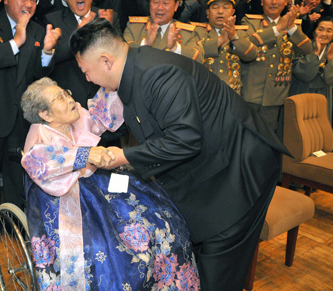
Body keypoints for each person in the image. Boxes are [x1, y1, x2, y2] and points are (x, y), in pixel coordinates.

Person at [71, 18, 288, 291]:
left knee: (218, 272)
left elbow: (184, 140)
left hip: (241, 170)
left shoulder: (157, 73)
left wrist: (123, 156)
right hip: (213, 164)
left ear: (106, 60)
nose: (87, 79)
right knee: (193, 257)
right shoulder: (134, 71)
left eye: (86, 71)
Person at [20, 77, 200, 290]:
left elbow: (99, 116)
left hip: (96, 181)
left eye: (66, 92)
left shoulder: (76, 115)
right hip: (64, 195)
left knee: (160, 215)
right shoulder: (39, 133)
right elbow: (37, 162)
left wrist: (115, 82)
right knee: (112, 246)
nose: (70, 99)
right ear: (45, 114)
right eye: (60, 98)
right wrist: (84, 154)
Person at [0, 0, 61, 243]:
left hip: (20, 124)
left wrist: (46, 52)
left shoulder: (37, 29)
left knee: (16, 183)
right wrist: (15, 42)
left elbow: (37, 77)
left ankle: (18, 236)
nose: (30, 4)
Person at [241, 0, 312, 132]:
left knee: (267, 141)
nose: (274, 2)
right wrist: (277, 28)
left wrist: (291, 28)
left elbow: (307, 50)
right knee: (244, 138)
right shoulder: (249, 22)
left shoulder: (294, 26)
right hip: (249, 94)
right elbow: (246, 45)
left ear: (287, 1)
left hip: (274, 96)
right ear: (261, 0)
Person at [43, 0, 120, 108]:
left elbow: (120, 56)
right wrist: (78, 33)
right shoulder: (52, 20)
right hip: (68, 102)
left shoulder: (107, 17)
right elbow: (48, 63)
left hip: (106, 102)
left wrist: (108, 33)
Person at [192, 0, 257, 94]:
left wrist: (233, 37)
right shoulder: (196, 31)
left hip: (232, 93)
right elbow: (193, 53)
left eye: (226, 8)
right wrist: (220, 40)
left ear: (233, 12)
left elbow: (251, 55)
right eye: (215, 8)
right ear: (207, 12)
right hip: (204, 93)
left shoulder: (240, 33)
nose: (220, 12)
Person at [123, 0, 204, 62]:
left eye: (166, 3)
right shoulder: (134, 27)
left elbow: (199, 58)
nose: (160, 8)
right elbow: (121, 52)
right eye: (156, 2)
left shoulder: (186, 32)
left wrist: (176, 48)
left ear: (176, 6)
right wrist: (145, 43)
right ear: (150, 3)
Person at [289, 16, 333, 121]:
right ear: (314, 32)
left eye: (329, 31)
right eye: (320, 29)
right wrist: (315, 54)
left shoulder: (331, 51)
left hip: (323, 95)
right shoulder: (303, 48)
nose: (324, 34)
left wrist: (330, 60)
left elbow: (329, 79)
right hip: (301, 91)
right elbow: (302, 75)